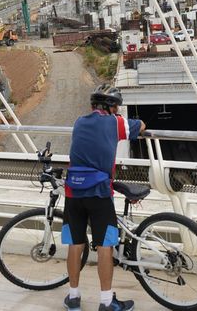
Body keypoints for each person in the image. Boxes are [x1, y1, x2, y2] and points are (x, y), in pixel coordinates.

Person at [62, 84, 146, 311]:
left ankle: (73, 298)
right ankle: (107, 302)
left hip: (72, 191)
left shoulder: (79, 121)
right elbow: (141, 126)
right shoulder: (116, 122)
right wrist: (120, 118)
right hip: (99, 192)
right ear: (112, 108)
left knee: (75, 243)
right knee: (105, 246)